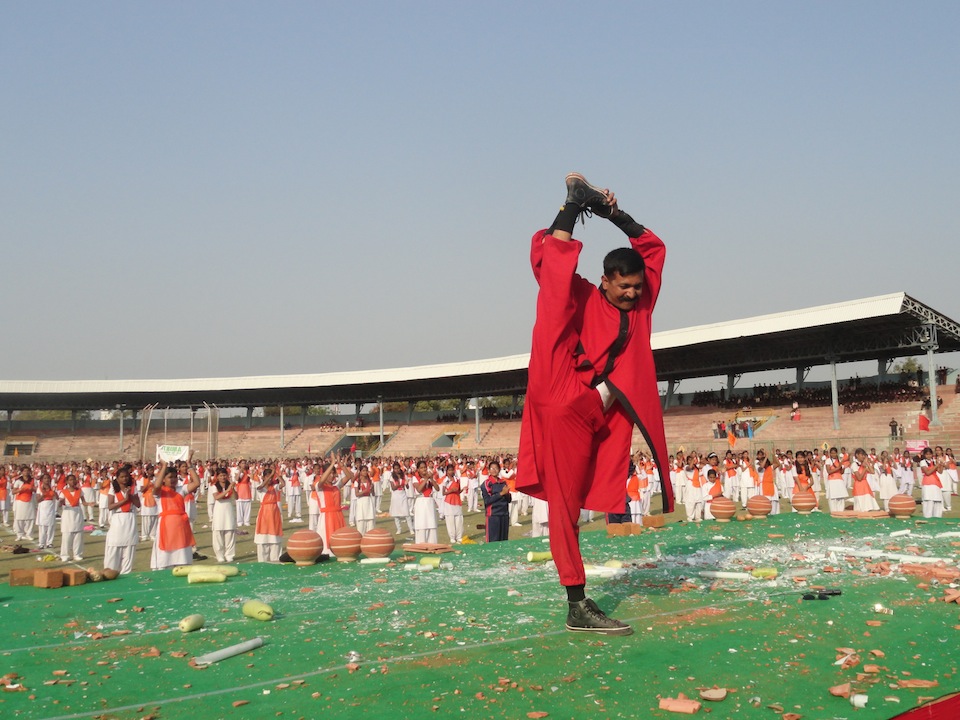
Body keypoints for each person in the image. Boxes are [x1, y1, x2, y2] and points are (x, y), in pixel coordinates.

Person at [517, 173, 671, 635]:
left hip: (599, 412)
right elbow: (549, 259)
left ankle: (577, 598)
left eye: (637, 288)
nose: (631, 295)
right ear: (605, 281)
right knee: (563, 506)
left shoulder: (641, 305)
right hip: (562, 390)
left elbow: (654, 248)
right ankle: (576, 602)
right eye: (622, 287)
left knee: (577, 505)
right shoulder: (584, 295)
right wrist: (573, 208)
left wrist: (611, 215)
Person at [150, 459, 201, 570]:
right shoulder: (159, 493)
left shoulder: (181, 490)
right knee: (165, 554)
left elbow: (197, 483)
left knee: (182, 553)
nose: (173, 480)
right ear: (163, 479)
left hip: (181, 526)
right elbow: (156, 486)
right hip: (166, 527)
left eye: (174, 477)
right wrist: (164, 467)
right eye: (169, 477)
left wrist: (189, 465)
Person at [104, 466, 141, 574]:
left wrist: (130, 495)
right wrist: (125, 499)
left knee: (129, 547)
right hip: (118, 518)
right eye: (122, 477)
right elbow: (110, 506)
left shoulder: (133, 488)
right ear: (117, 478)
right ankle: (110, 572)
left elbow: (138, 504)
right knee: (114, 546)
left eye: (126, 477)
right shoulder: (113, 489)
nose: (125, 479)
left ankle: (126, 572)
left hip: (130, 519)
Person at [254, 464, 284, 562]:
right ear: (263, 477)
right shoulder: (260, 488)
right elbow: (261, 485)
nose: (269, 478)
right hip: (264, 514)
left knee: (275, 538)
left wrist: (276, 474)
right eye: (266, 476)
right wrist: (271, 475)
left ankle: (275, 559)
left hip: (274, 514)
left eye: (270, 476)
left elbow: (283, 484)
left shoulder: (274, 487)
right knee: (263, 539)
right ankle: (262, 561)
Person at [210, 466, 237, 563]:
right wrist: (227, 490)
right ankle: (220, 555)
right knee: (218, 533)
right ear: (217, 477)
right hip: (219, 511)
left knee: (230, 533)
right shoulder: (214, 486)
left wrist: (232, 489)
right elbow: (217, 497)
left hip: (229, 511)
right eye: (221, 476)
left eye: (224, 475)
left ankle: (229, 555)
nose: (223, 477)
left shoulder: (230, 484)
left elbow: (237, 497)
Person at [479, 460, 511, 542]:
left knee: (504, 540)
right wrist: (501, 493)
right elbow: (487, 501)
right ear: (489, 470)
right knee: (493, 541)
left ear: (499, 470)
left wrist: (507, 494)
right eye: (492, 468)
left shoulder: (503, 483)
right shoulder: (486, 484)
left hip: (504, 514)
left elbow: (509, 500)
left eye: (496, 468)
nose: (494, 470)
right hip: (493, 515)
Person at [58, 473, 85, 561]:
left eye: (74, 479)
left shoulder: (79, 491)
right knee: (67, 535)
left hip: (77, 512)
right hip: (67, 513)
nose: (72, 481)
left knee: (78, 535)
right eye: (70, 480)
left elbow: (83, 502)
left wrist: (89, 504)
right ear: (67, 481)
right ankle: (64, 555)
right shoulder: (63, 492)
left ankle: (77, 554)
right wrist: (60, 502)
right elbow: (60, 503)